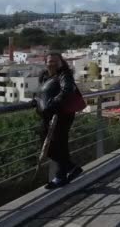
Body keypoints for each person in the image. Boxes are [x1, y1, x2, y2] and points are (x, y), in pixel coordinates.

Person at [34, 52, 83, 189]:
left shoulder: (64, 75)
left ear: (61, 62)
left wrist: (54, 103)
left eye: (56, 61)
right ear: (45, 62)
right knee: (49, 145)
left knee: (59, 144)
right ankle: (71, 168)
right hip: (48, 114)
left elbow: (67, 90)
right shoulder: (44, 75)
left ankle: (61, 176)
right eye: (50, 61)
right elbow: (42, 92)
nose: (52, 63)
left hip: (61, 115)